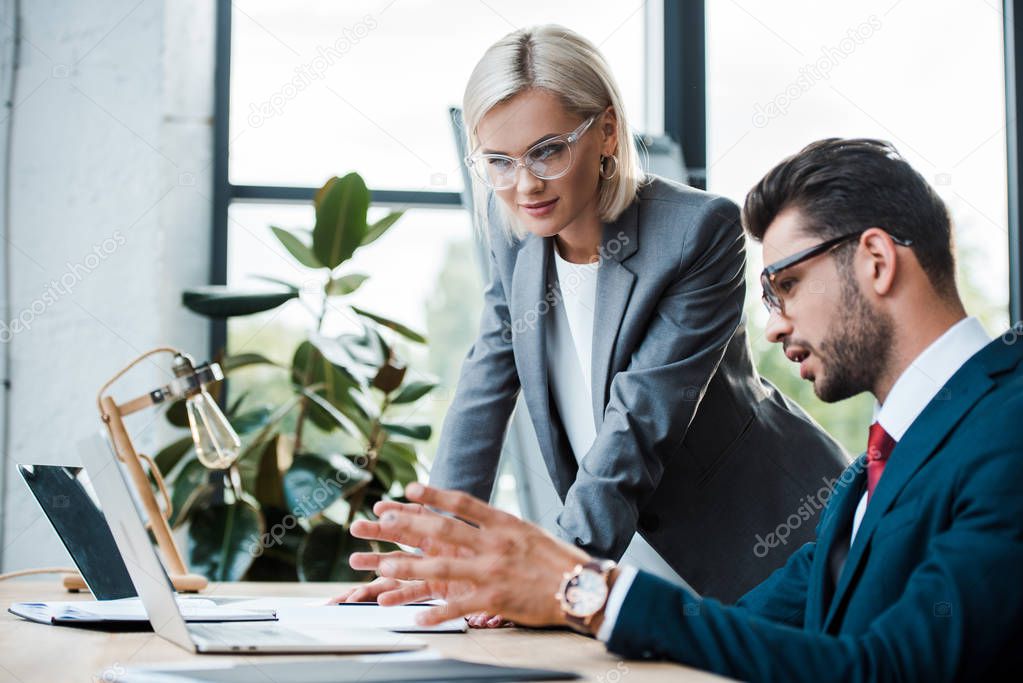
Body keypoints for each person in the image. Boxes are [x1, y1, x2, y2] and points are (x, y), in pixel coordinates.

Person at [344, 138, 1023, 680]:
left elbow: (887, 669)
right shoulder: (864, 478)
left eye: (785, 285)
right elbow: (741, 629)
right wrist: (540, 592)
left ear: (875, 260)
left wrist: (581, 587)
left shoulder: (1008, 427)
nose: (775, 325)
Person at [339, 24, 846, 611]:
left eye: (547, 151)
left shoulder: (697, 232)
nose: (524, 184)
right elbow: (480, 396)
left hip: (762, 548)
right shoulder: (518, 242)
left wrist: (548, 581)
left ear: (606, 130)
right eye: (498, 161)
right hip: (622, 565)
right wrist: (436, 562)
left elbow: (638, 425)